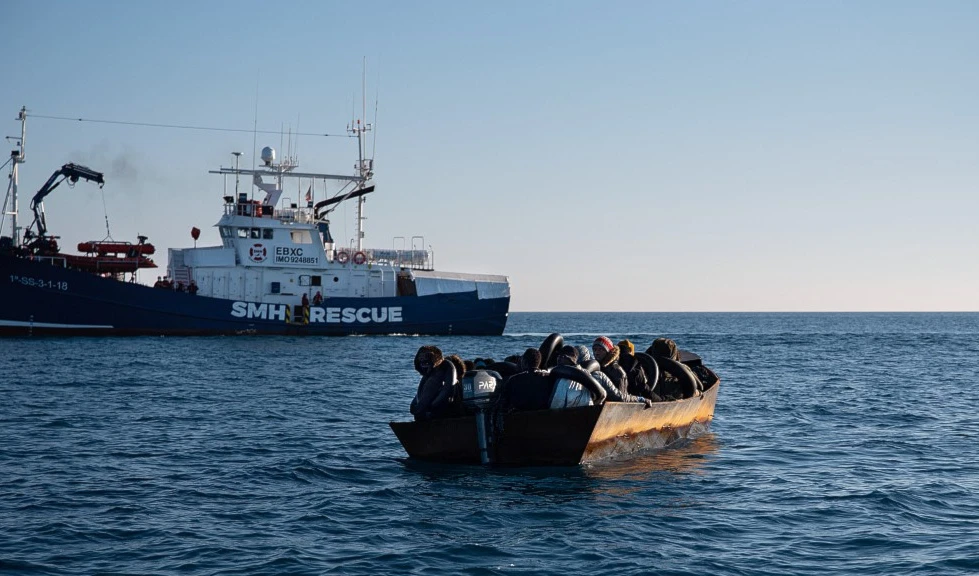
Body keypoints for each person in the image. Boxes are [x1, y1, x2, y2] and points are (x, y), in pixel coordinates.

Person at [576, 345, 652, 405]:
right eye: (595, 350)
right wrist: (640, 399)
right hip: (596, 410)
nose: (597, 353)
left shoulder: (567, 373)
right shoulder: (598, 374)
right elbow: (618, 397)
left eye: (600, 349)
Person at [409, 346, 458, 421]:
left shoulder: (446, 368)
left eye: (426, 362)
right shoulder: (427, 377)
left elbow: (448, 388)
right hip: (426, 412)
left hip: (441, 410)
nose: (424, 364)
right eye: (421, 361)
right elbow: (415, 404)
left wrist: (433, 405)